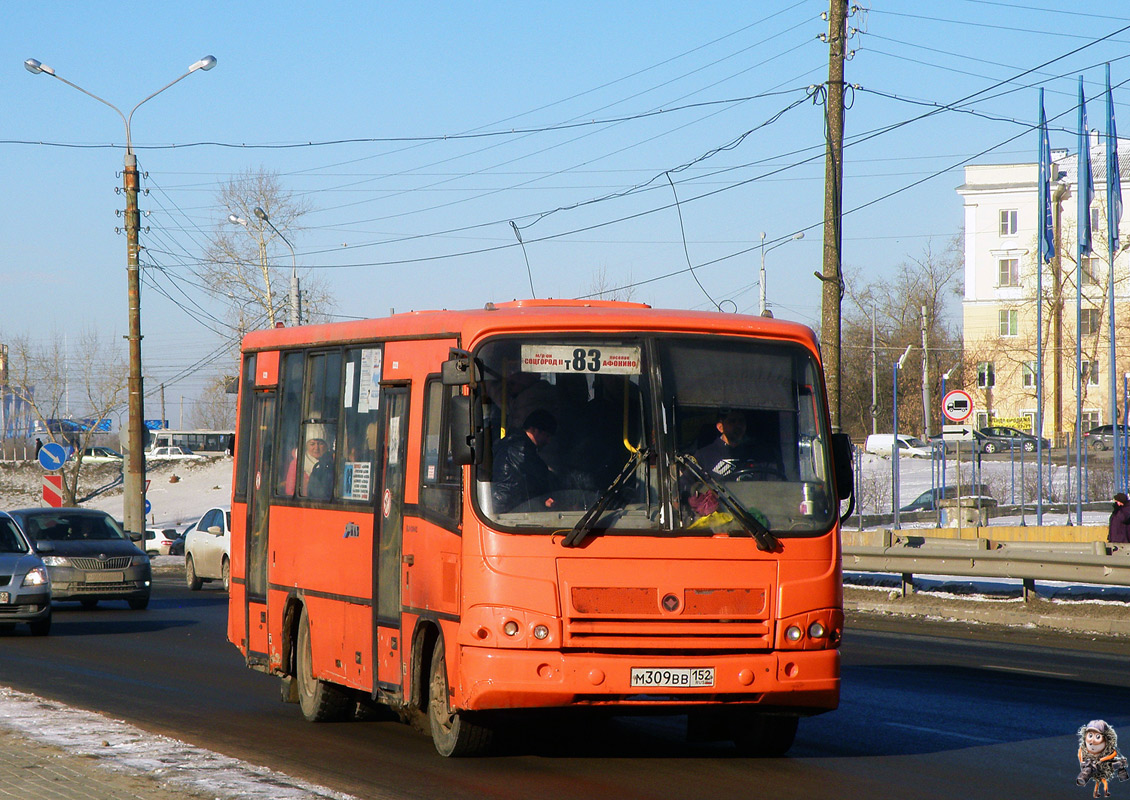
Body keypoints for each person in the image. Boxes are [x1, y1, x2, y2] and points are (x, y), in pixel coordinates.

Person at [491, 409, 557, 513]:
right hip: (510, 509)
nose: (548, 441)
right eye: (546, 435)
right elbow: (539, 477)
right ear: (534, 430)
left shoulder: (510, 444)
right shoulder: (521, 450)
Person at [692, 409, 754, 476]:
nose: (738, 425)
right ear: (720, 427)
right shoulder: (703, 456)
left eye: (741, 421)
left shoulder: (757, 453)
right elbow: (686, 482)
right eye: (732, 421)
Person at [284, 424, 334, 499]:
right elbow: (290, 491)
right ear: (306, 445)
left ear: (326, 445)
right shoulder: (297, 464)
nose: (316, 448)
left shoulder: (333, 462)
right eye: (312, 444)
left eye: (320, 444)